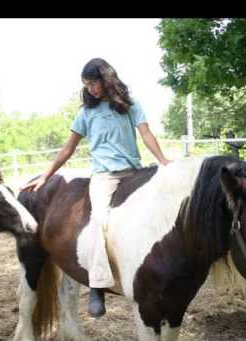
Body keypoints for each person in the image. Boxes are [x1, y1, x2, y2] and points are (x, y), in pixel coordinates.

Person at [20, 58, 170, 318]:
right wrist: (46, 176)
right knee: (98, 222)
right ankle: (97, 285)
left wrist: (163, 162)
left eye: (93, 83)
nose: (90, 89)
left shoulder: (131, 106)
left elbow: (146, 135)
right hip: (104, 178)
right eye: (86, 85)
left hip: (134, 172)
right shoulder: (85, 114)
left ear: (106, 79)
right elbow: (68, 149)